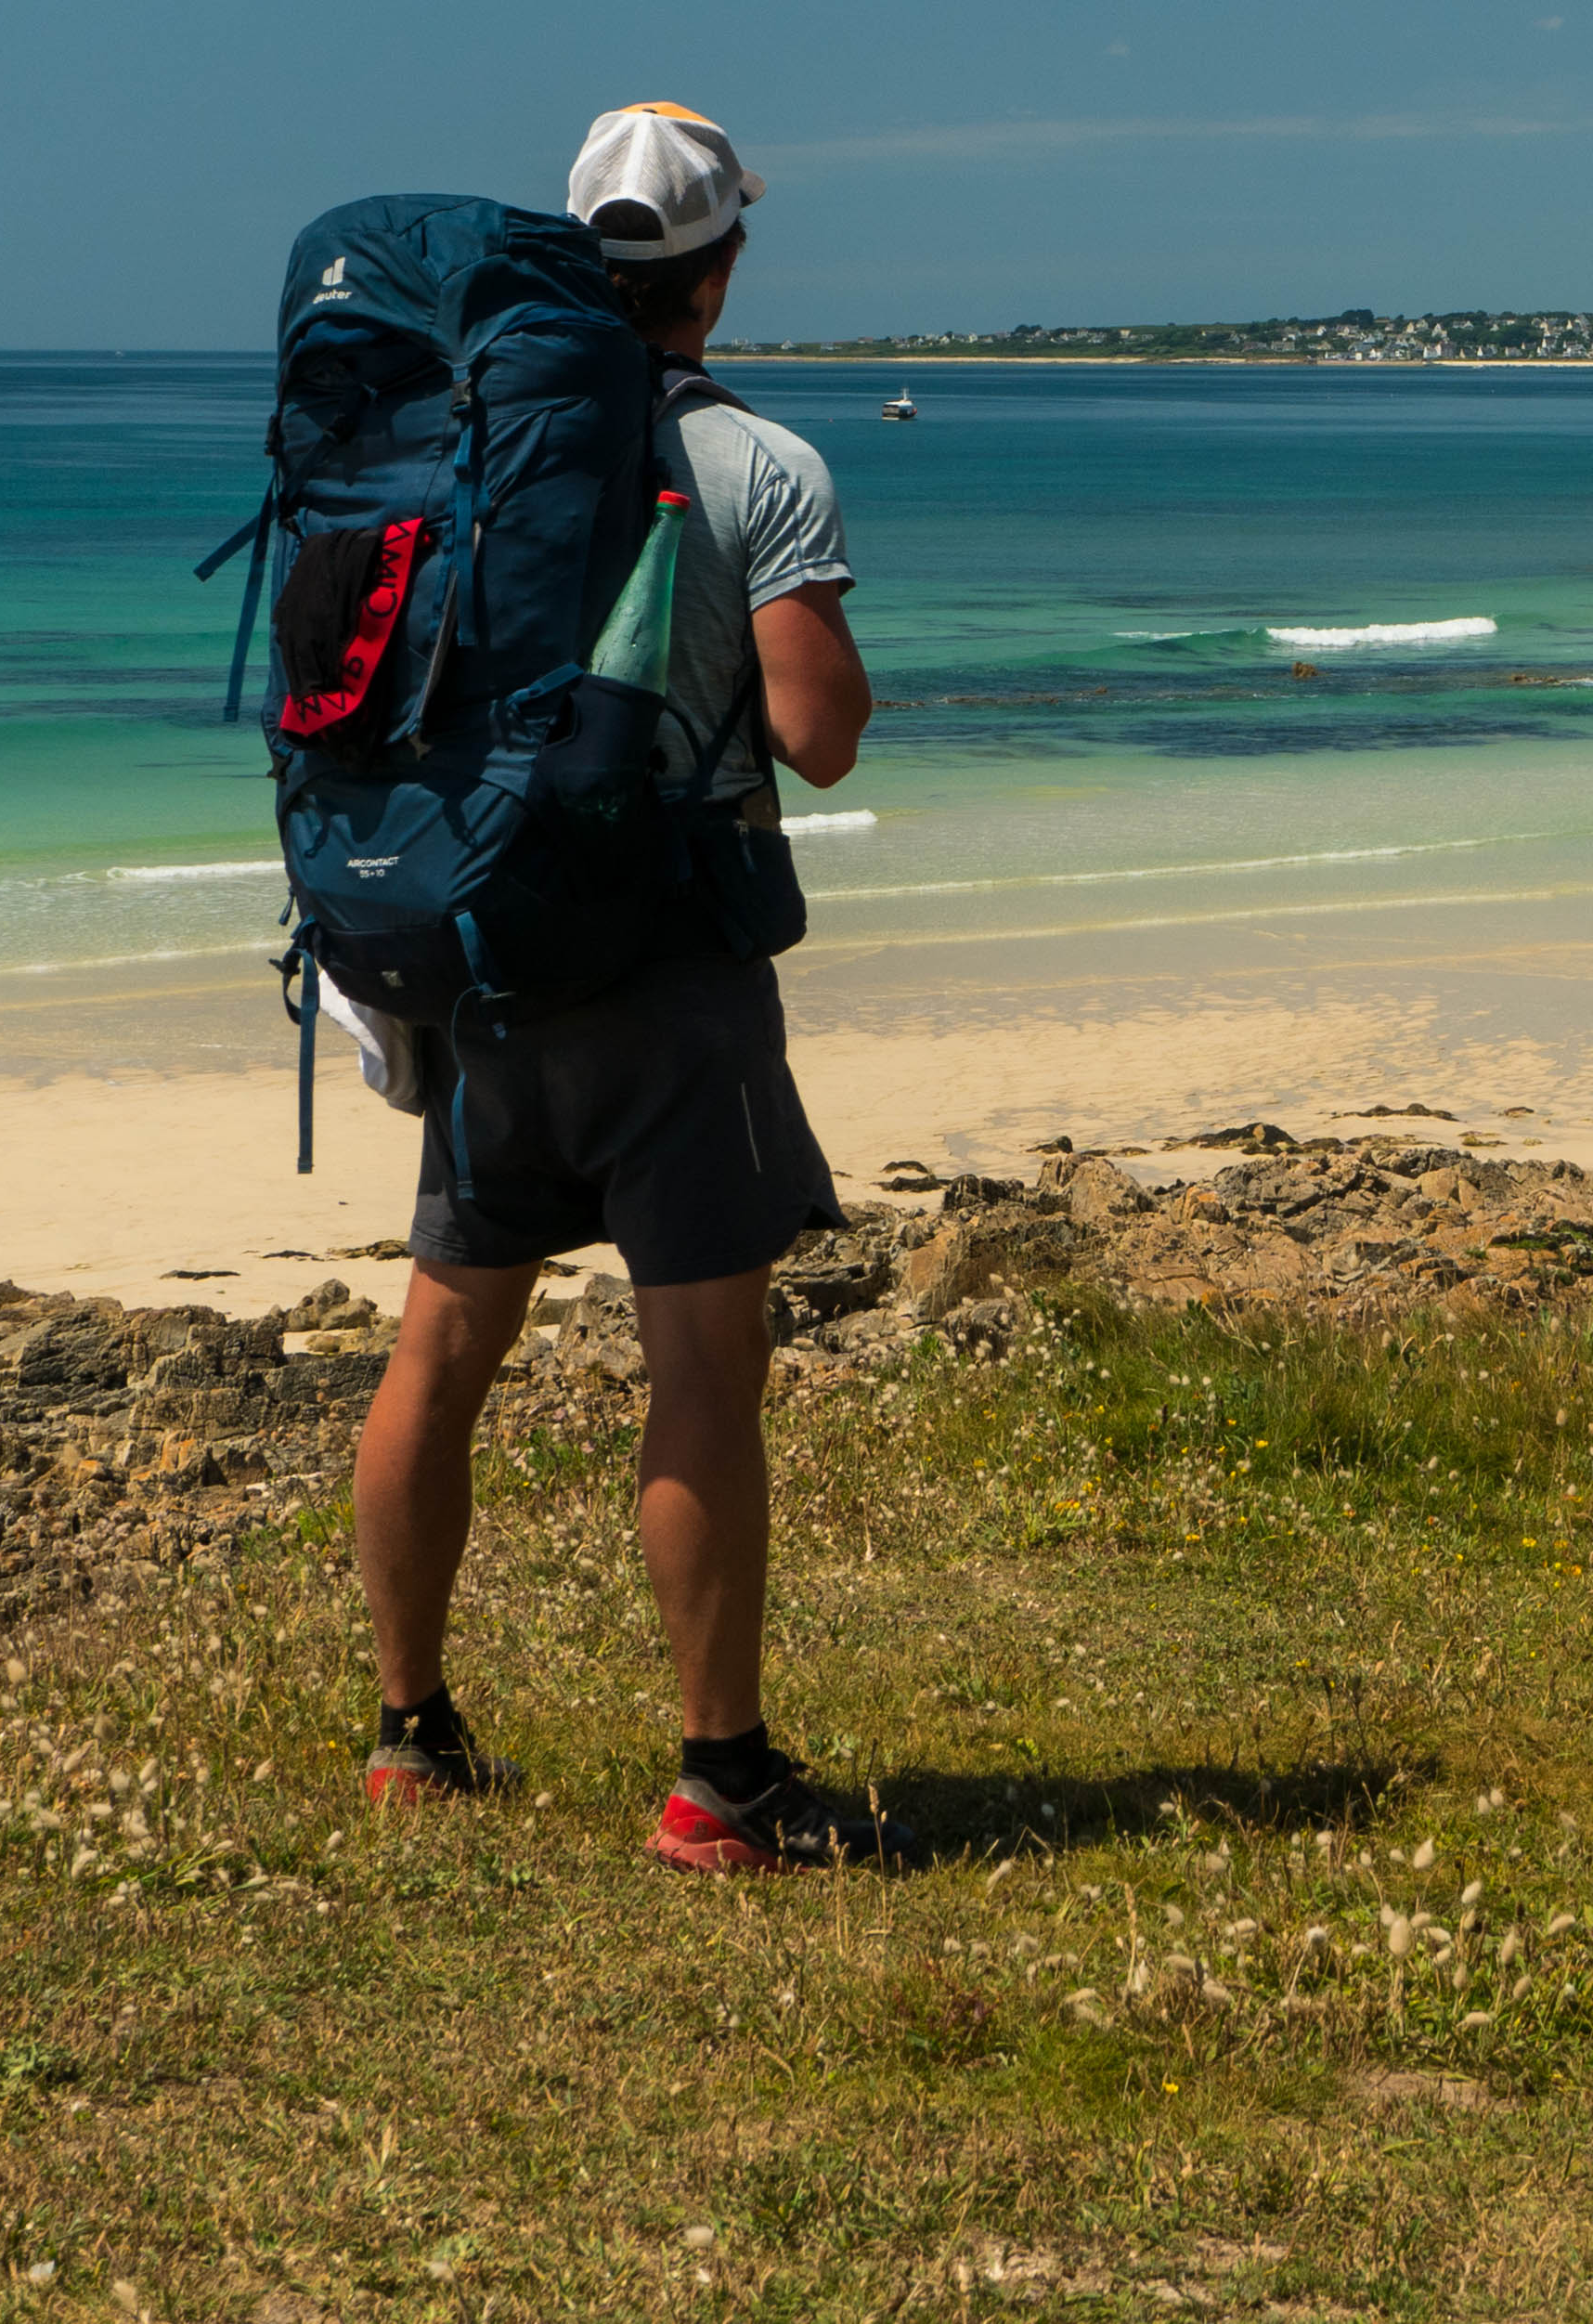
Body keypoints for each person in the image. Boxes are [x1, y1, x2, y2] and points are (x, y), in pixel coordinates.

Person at [343, 101, 915, 1871]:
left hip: (487, 959)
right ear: (722, 267)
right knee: (699, 1369)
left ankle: (410, 1733)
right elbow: (815, 738)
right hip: (671, 974)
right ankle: (720, 1777)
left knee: (441, 1348)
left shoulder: (467, 448)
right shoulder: (761, 465)